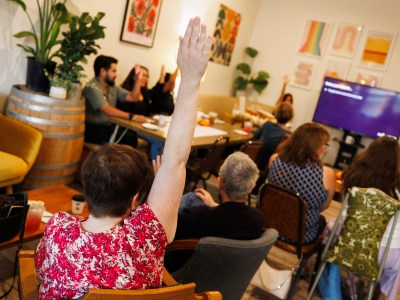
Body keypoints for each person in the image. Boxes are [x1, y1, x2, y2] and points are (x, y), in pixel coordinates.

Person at [34, 17, 212, 299]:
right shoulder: (148, 237)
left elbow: (42, 271)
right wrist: (191, 78)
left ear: (86, 190)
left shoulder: (57, 230)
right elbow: (176, 160)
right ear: (134, 200)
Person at [341, 136, 400, 300]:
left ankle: (353, 279)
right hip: (384, 255)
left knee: (334, 230)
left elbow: (345, 212)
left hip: (349, 244)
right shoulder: (397, 190)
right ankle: (374, 293)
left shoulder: (352, 178)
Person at [267, 122, 336, 244]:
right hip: (300, 236)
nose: (324, 149)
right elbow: (324, 206)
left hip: (270, 226)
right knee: (322, 221)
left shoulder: (275, 159)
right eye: (324, 145)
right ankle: (303, 261)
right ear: (315, 147)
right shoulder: (327, 174)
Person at [83, 55, 148, 147]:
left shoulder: (112, 86)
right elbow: (106, 109)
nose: (116, 74)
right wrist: (132, 117)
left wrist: (138, 80)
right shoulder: (92, 87)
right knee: (129, 140)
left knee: (131, 137)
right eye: (113, 71)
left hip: (108, 126)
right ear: (103, 71)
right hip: (93, 128)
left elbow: (133, 97)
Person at [253, 102, 294, 171]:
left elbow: (254, 137)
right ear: (290, 117)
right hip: (272, 168)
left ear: (275, 113)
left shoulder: (268, 125)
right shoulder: (290, 136)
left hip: (257, 161)